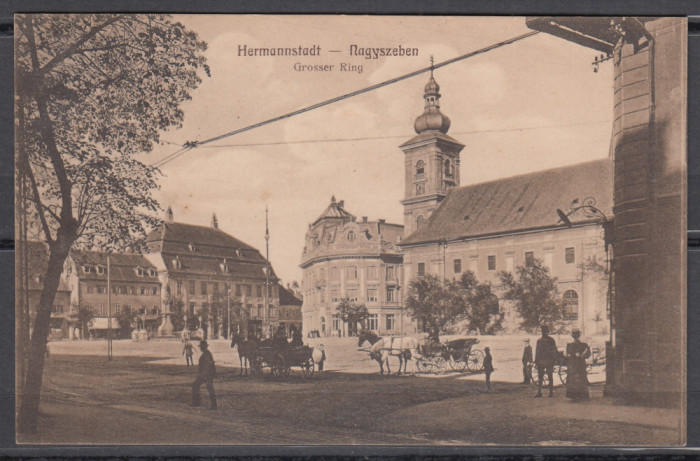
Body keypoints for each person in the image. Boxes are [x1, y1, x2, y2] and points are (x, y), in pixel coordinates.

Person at [565, 329, 591, 401]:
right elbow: (588, 355)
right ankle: (581, 395)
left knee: (575, 379)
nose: (576, 337)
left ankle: (574, 396)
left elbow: (567, 355)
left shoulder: (570, 345)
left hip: (574, 365)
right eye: (575, 335)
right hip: (579, 364)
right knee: (580, 378)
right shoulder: (584, 345)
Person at [192, 340, 217, 410]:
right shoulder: (207, 353)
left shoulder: (206, 354)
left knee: (198, 386)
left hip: (206, 374)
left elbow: (208, 365)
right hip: (206, 374)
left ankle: (212, 404)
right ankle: (213, 404)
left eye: (201, 347)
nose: (200, 348)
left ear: (203, 347)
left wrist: (204, 374)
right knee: (206, 387)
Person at [534, 325, 557, 398]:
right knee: (540, 377)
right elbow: (537, 351)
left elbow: (554, 350)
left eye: (544, 331)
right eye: (542, 331)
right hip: (541, 361)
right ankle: (539, 392)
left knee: (549, 376)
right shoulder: (539, 341)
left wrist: (553, 360)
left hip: (548, 361)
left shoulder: (551, 340)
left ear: (547, 332)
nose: (543, 333)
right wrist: (536, 361)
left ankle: (551, 392)